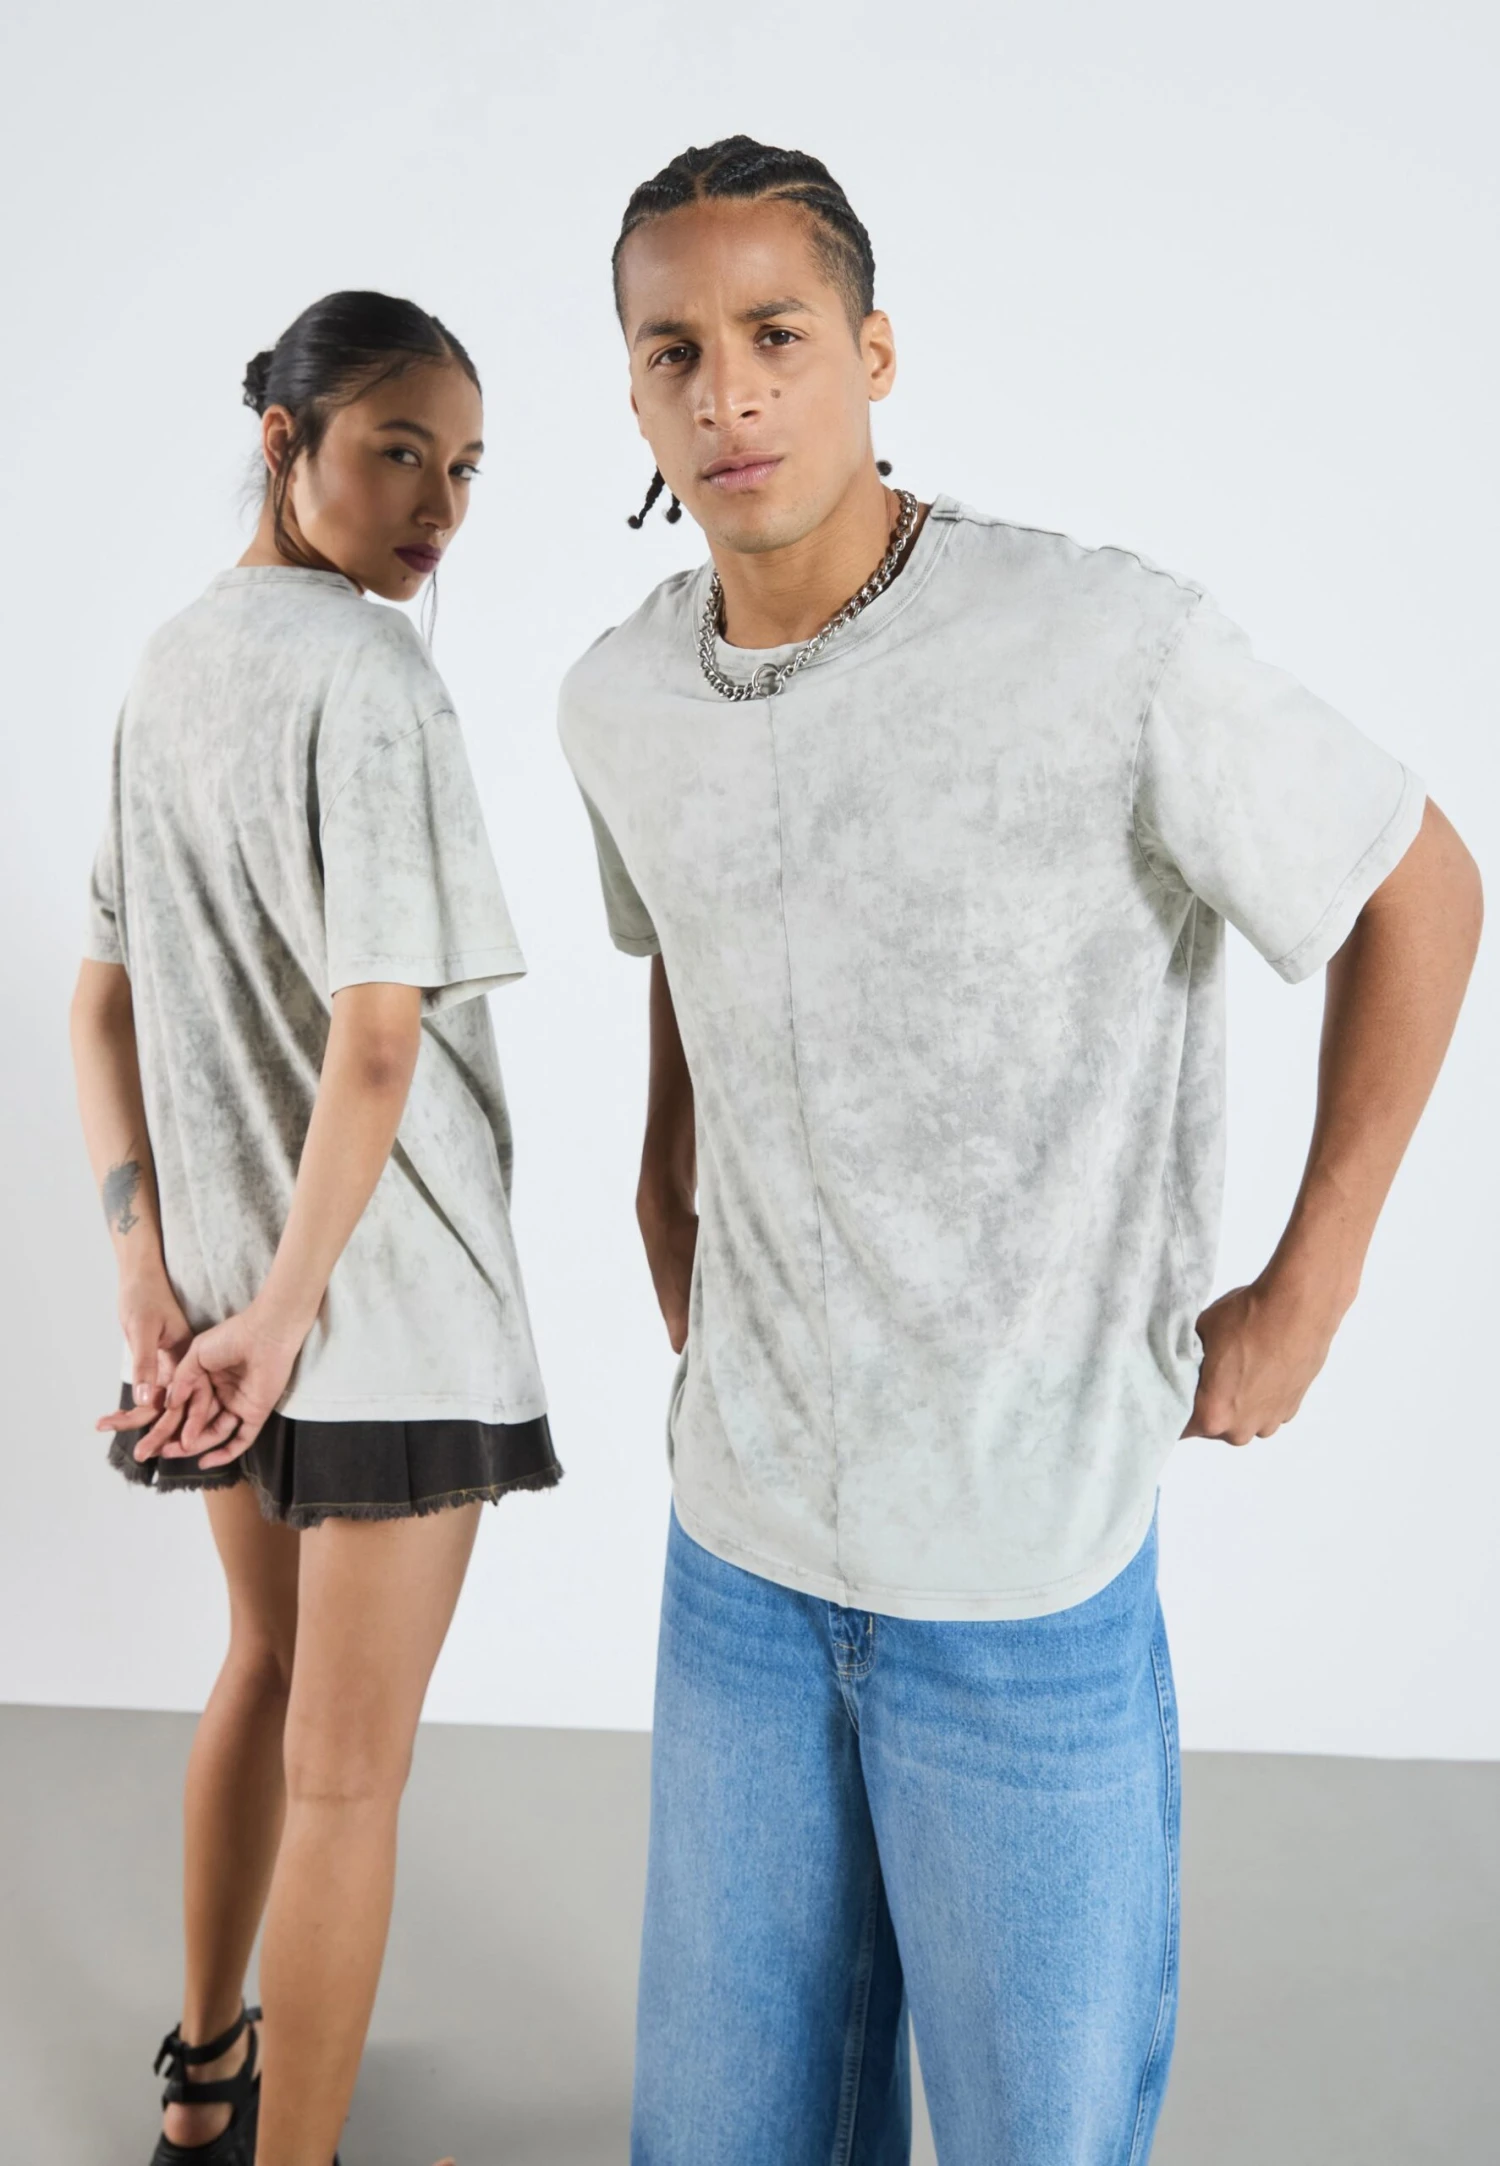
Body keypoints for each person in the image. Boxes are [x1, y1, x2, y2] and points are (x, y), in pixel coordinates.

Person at [558, 137, 1482, 2166]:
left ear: (874, 352)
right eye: (675, 351)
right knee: (718, 2139)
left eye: (778, 335)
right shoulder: (620, 696)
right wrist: (658, 1182)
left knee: (1032, 2141)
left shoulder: (1104, 646)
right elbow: (689, 939)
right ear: (631, 392)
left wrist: (1312, 1285)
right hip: (741, 1557)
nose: (730, 393)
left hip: (1025, 1571)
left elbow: (1419, 884)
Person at [71, 290, 557, 2166]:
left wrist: (156, 1275)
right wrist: (285, 1313)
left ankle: (204, 2082)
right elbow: (378, 1036)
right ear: (283, 440)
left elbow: (97, 1000)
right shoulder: (373, 676)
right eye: (397, 451)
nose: (438, 505)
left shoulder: (168, 666)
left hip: (221, 1313)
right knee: (349, 1777)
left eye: (467, 469)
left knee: (260, 1677)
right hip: (380, 1308)